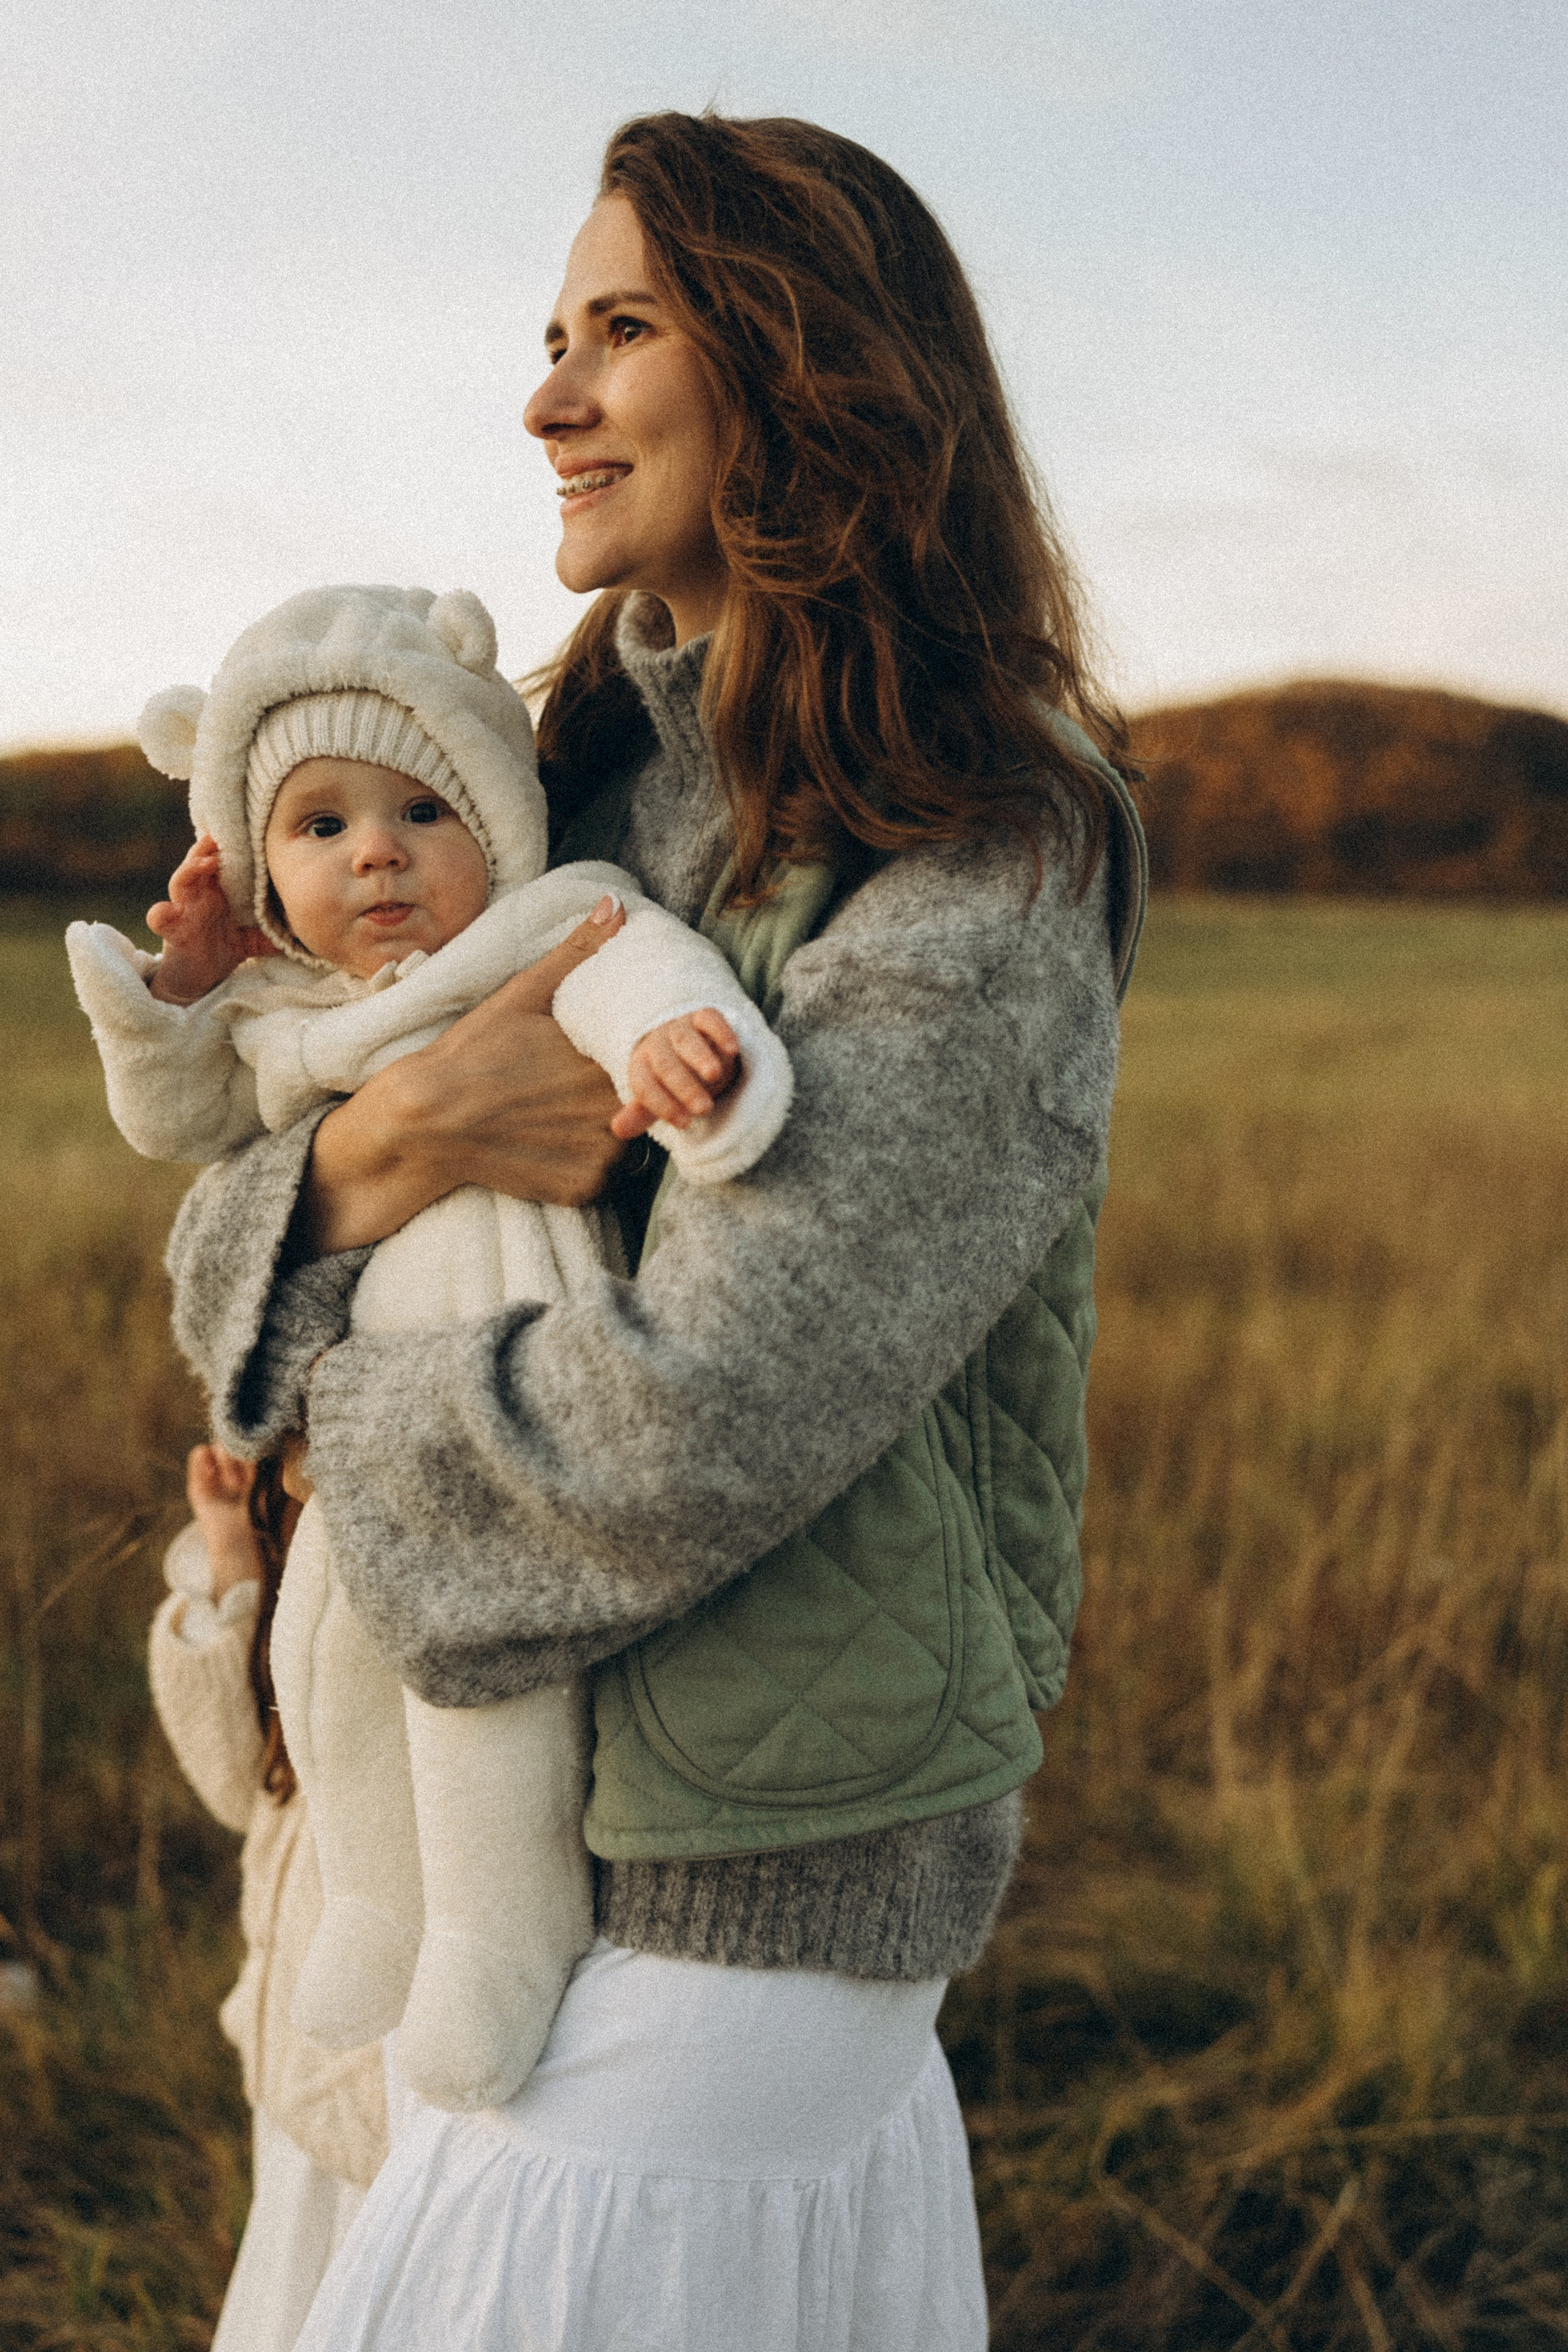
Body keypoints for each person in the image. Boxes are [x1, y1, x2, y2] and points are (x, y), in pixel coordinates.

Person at [162, 111, 1148, 2352]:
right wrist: (389, 1135)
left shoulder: (984, 828)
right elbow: (245, 1224)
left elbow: (707, 1404)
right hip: (449, 1819)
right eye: (550, 336)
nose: (547, 398)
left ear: (803, 366)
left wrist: (319, 1433)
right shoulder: (544, 793)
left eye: (621, 333)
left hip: (754, 1879)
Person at [71, 582, 793, 2116]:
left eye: (416, 809)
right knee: (326, 1656)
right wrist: (178, 995)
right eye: (317, 828)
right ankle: (380, 1903)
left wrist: (677, 1045)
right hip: (365, 1428)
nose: (374, 852)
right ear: (266, 874)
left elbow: (638, 968)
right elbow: (175, 1118)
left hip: (513, 1369)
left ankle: (496, 1930)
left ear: (498, 824)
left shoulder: (550, 920)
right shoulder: (286, 1013)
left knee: (483, 1676)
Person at [149, 1441, 385, 2352]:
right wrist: (231, 1549)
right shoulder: (292, 1505)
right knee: (296, 2292)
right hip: (296, 2050)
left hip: (391, 2058)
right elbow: (239, 1781)